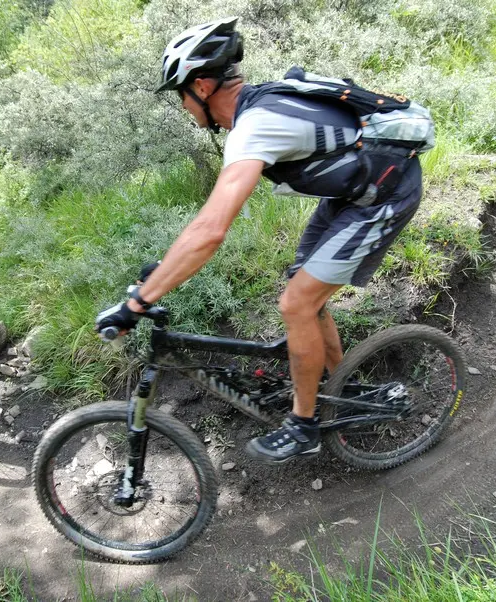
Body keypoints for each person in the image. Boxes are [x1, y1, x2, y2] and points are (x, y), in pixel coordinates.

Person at [95, 18, 424, 464]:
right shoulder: (258, 110)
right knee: (305, 293)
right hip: (351, 194)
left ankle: (303, 426)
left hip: (384, 193)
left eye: (181, 95)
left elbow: (210, 230)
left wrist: (137, 303)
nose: (182, 108)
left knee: (297, 303)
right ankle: (341, 386)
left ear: (204, 86)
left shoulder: (255, 126)